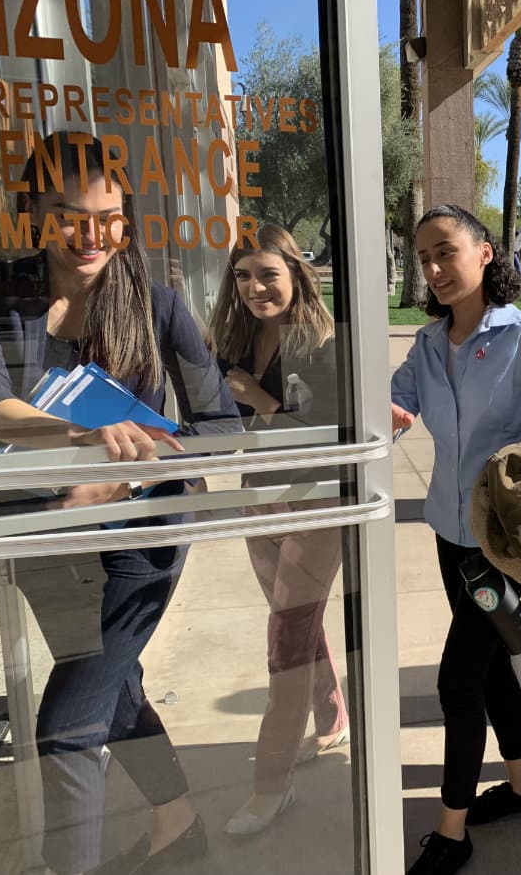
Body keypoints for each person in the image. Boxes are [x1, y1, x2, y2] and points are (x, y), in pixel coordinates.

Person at [0, 132, 240, 874]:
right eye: (68, 214)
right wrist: (77, 435)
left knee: (68, 728)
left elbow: (220, 429)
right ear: (31, 212)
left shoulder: (158, 302)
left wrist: (133, 472)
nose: (91, 234)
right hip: (51, 538)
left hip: (141, 545)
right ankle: (179, 822)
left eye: (109, 215)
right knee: (116, 686)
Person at [390, 204, 521, 875]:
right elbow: (394, 408)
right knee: (492, 662)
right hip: (448, 537)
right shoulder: (426, 345)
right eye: (424, 257)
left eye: (446, 251)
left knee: (458, 681)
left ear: (484, 252)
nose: (434, 267)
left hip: (495, 548)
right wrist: (384, 415)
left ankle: (452, 831)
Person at [208, 223, 350, 835]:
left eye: (268, 273)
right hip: (258, 498)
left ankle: (270, 785)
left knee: (286, 639)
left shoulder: (323, 341)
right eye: (243, 276)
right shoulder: (234, 342)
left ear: (295, 272)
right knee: (297, 620)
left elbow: (332, 429)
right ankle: (332, 712)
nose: (255, 287)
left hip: (315, 504)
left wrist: (257, 401)